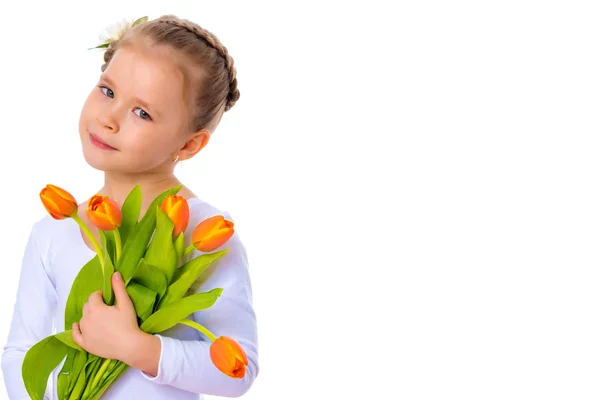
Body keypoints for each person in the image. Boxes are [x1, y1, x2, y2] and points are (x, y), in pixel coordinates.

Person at [1, 14, 258, 399]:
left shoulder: (205, 234)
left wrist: (136, 348)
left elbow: (240, 371)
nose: (109, 119)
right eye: (107, 91)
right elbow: (19, 353)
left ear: (189, 145)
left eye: (142, 112)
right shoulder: (54, 230)